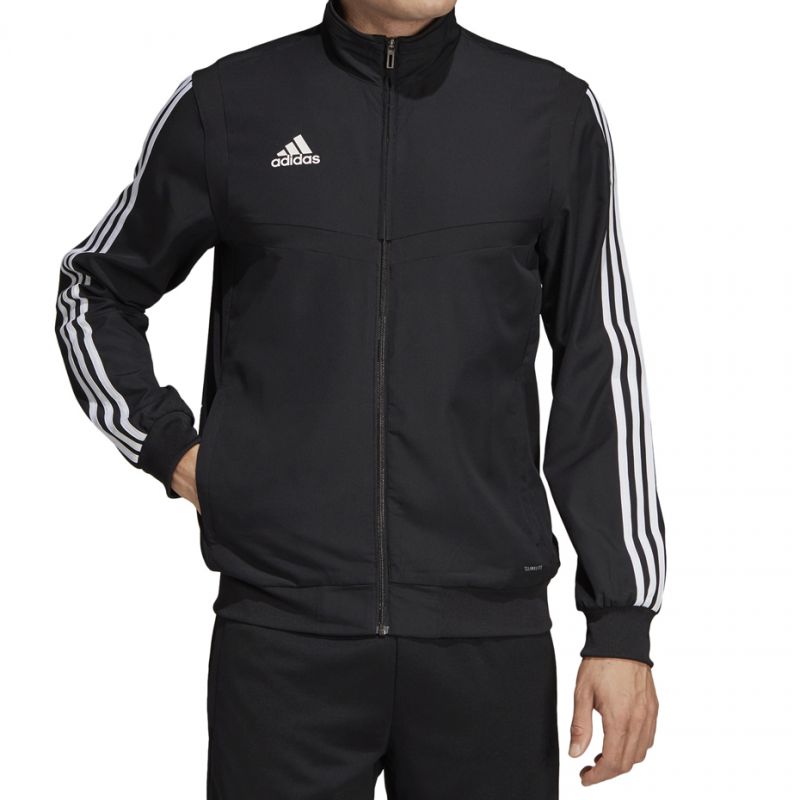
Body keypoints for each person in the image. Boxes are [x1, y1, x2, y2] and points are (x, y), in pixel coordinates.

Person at [54, 0, 666, 797]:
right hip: (284, 637)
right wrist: (174, 451)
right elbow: (93, 289)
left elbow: (599, 360)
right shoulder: (232, 103)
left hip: (486, 637)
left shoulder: (548, 111)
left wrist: (621, 621)